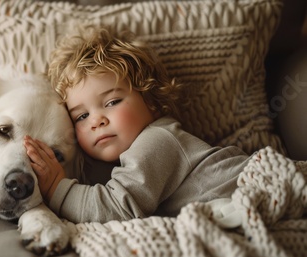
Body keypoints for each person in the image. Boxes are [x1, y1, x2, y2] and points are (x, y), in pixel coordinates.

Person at [23, 25, 250, 223]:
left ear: (151, 100)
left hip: (243, 190)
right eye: (81, 117)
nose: (96, 121)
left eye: (112, 101)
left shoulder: (159, 139)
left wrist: (56, 188)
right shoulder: (120, 158)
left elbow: (118, 208)